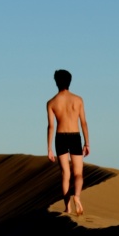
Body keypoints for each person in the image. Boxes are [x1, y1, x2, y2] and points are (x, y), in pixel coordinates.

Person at [47, 69, 90, 216]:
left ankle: (67, 207)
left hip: (60, 137)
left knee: (65, 173)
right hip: (75, 136)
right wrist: (87, 143)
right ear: (69, 81)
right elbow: (83, 122)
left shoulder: (51, 102)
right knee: (78, 173)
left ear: (56, 82)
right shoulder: (78, 100)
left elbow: (51, 126)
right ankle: (76, 197)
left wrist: (49, 148)